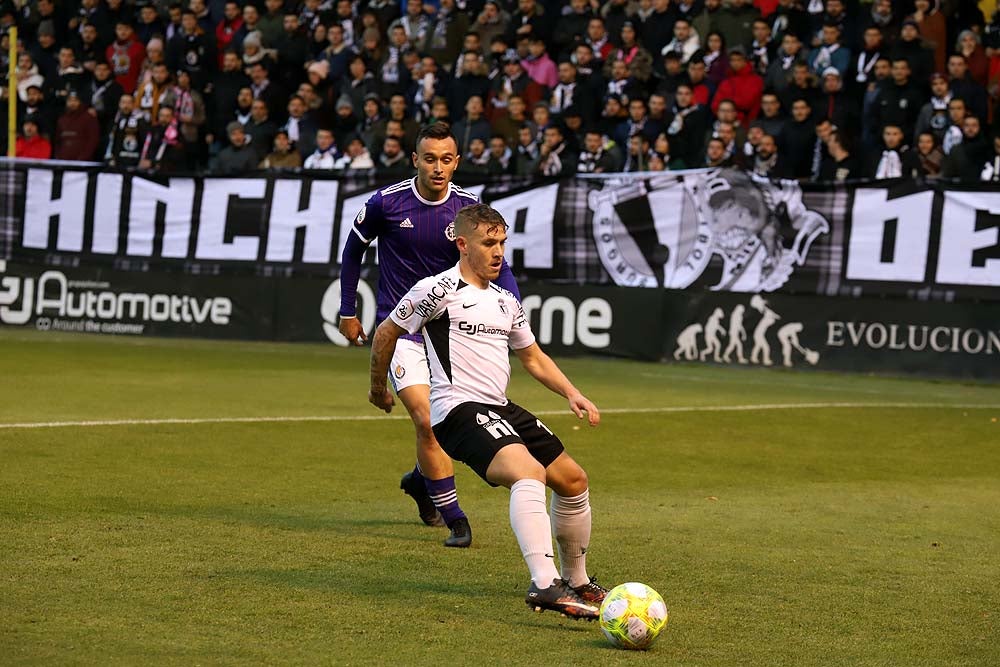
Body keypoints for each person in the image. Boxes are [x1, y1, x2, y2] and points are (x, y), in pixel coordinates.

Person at [368, 203, 606, 619]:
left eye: (502, 242)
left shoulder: (505, 301)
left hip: (500, 407)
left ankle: (578, 581)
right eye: (488, 243)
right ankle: (545, 584)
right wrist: (377, 388)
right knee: (528, 472)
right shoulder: (436, 290)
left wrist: (572, 392)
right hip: (457, 410)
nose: (498, 252)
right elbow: (387, 332)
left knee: (572, 479)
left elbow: (532, 357)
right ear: (462, 244)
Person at [338, 123, 521, 548]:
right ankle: (456, 519)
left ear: (456, 162)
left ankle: (422, 483)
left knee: (447, 424)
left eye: (446, 159)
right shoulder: (386, 203)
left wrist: (512, 308)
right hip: (401, 328)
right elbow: (352, 252)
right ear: (415, 160)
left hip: (453, 335)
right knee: (425, 418)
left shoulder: (470, 211)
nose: (438, 168)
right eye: (430, 158)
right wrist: (348, 310)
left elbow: (500, 263)